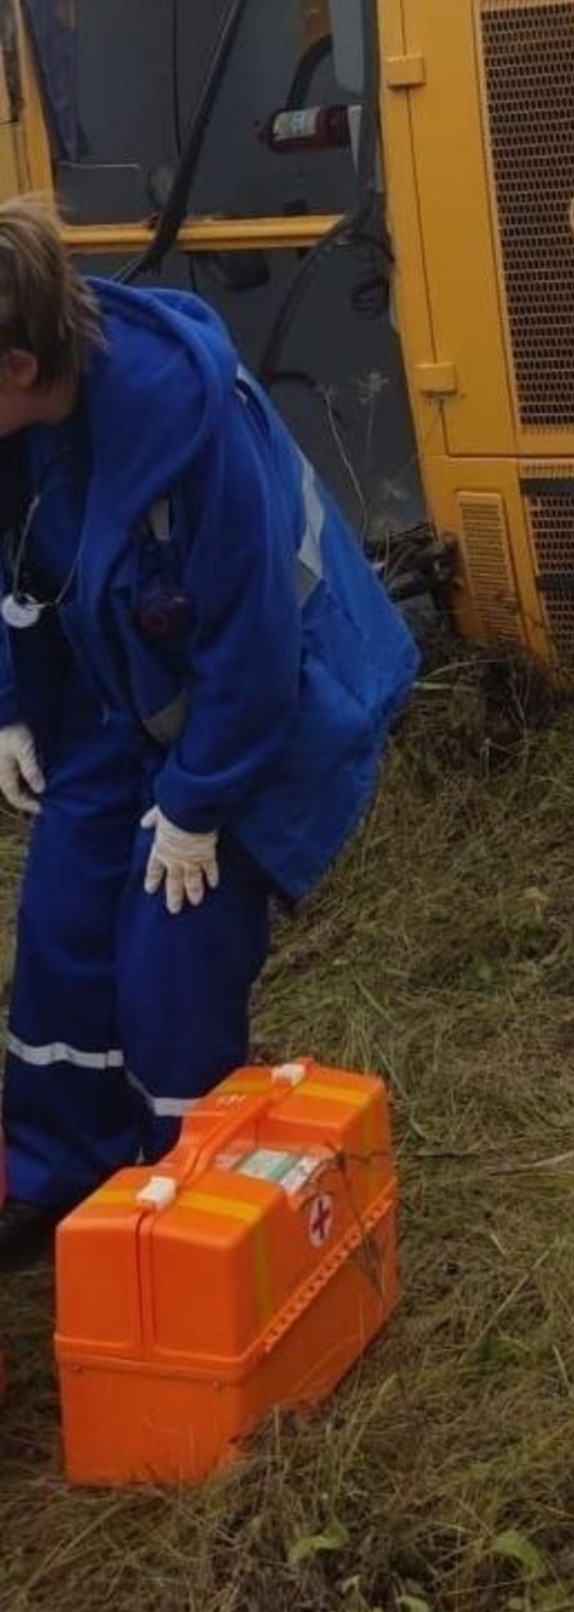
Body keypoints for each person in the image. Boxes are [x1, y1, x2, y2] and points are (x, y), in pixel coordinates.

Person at [0, 196, 418, 1263]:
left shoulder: (189, 427)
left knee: (168, 958)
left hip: (256, 715)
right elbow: (12, 574)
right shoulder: (18, 427)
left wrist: (190, 808)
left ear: (18, 367)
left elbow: (253, 656)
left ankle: (181, 1206)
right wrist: (9, 703)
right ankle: (58, 1179)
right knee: (57, 933)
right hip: (115, 696)